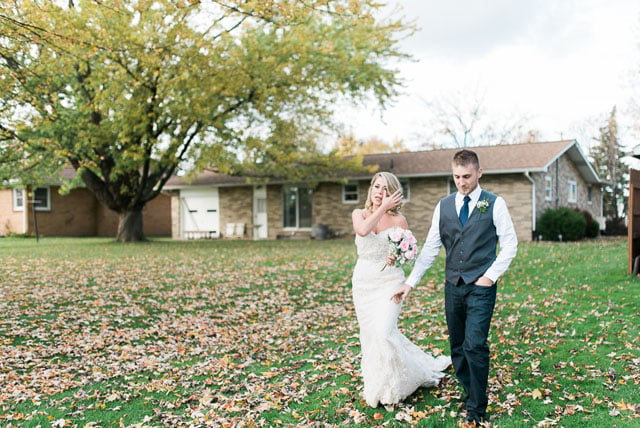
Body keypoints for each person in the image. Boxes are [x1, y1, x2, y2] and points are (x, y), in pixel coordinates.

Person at [392, 149, 518, 426]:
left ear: (479, 173)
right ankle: (470, 389)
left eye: (467, 176)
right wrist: (410, 283)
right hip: (453, 286)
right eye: (457, 177)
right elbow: (431, 249)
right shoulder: (444, 205)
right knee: (458, 345)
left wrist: (491, 276)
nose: (462, 182)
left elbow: (510, 245)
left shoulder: (495, 204)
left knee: (475, 344)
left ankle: (476, 407)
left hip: (481, 287)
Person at [351, 171, 451, 408]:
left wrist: (397, 256)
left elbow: (409, 252)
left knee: (384, 332)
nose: (380, 193)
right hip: (364, 283)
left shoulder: (399, 221)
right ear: (371, 189)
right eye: (376, 187)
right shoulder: (359, 214)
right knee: (371, 335)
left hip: (390, 283)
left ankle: (399, 384)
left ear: (394, 194)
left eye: (386, 189)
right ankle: (381, 384)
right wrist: (382, 207)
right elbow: (364, 230)